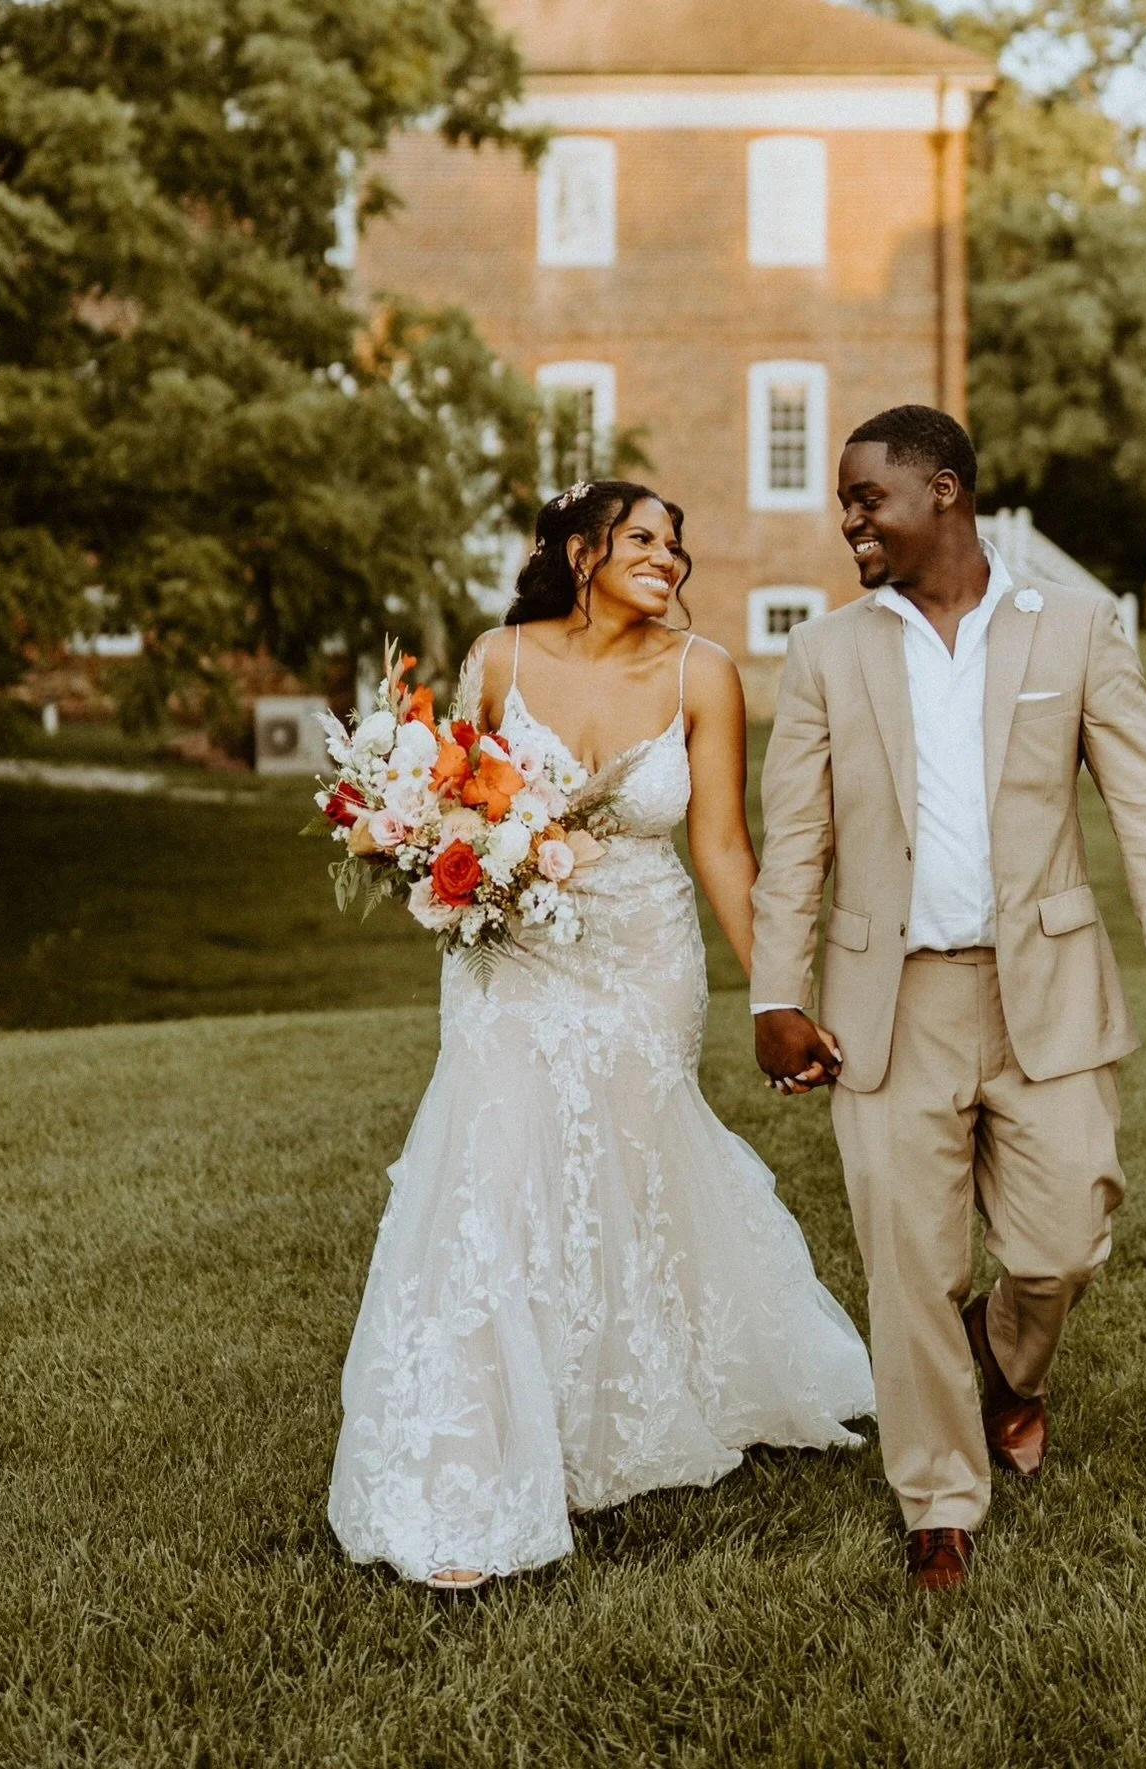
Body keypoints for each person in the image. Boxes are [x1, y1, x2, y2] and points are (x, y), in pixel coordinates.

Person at [328, 480, 873, 1591]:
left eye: (678, 546)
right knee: (491, 1168)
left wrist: (777, 991)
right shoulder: (498, 657)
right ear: (579, 553)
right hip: (511, 956)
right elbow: (452, 800)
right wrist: (441, 865)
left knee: (625, 1163)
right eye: (642, 541)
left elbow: (721, 842)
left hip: (641, 955)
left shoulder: (702, 670)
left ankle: (623, 1400)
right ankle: (472, 1458)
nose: (669, 561)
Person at [750, 407, 1146, 1594]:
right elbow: (795, 838)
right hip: (886, 1003)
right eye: (845, 502)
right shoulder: (824, 653)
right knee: (909, 1262)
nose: (848, 518)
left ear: (945, 492)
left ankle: (1009, 1366)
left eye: (868, 497)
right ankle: (936, 1499)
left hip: (1046, 994)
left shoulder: (1075, 628)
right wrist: (777, 993)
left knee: (1063, 1237)